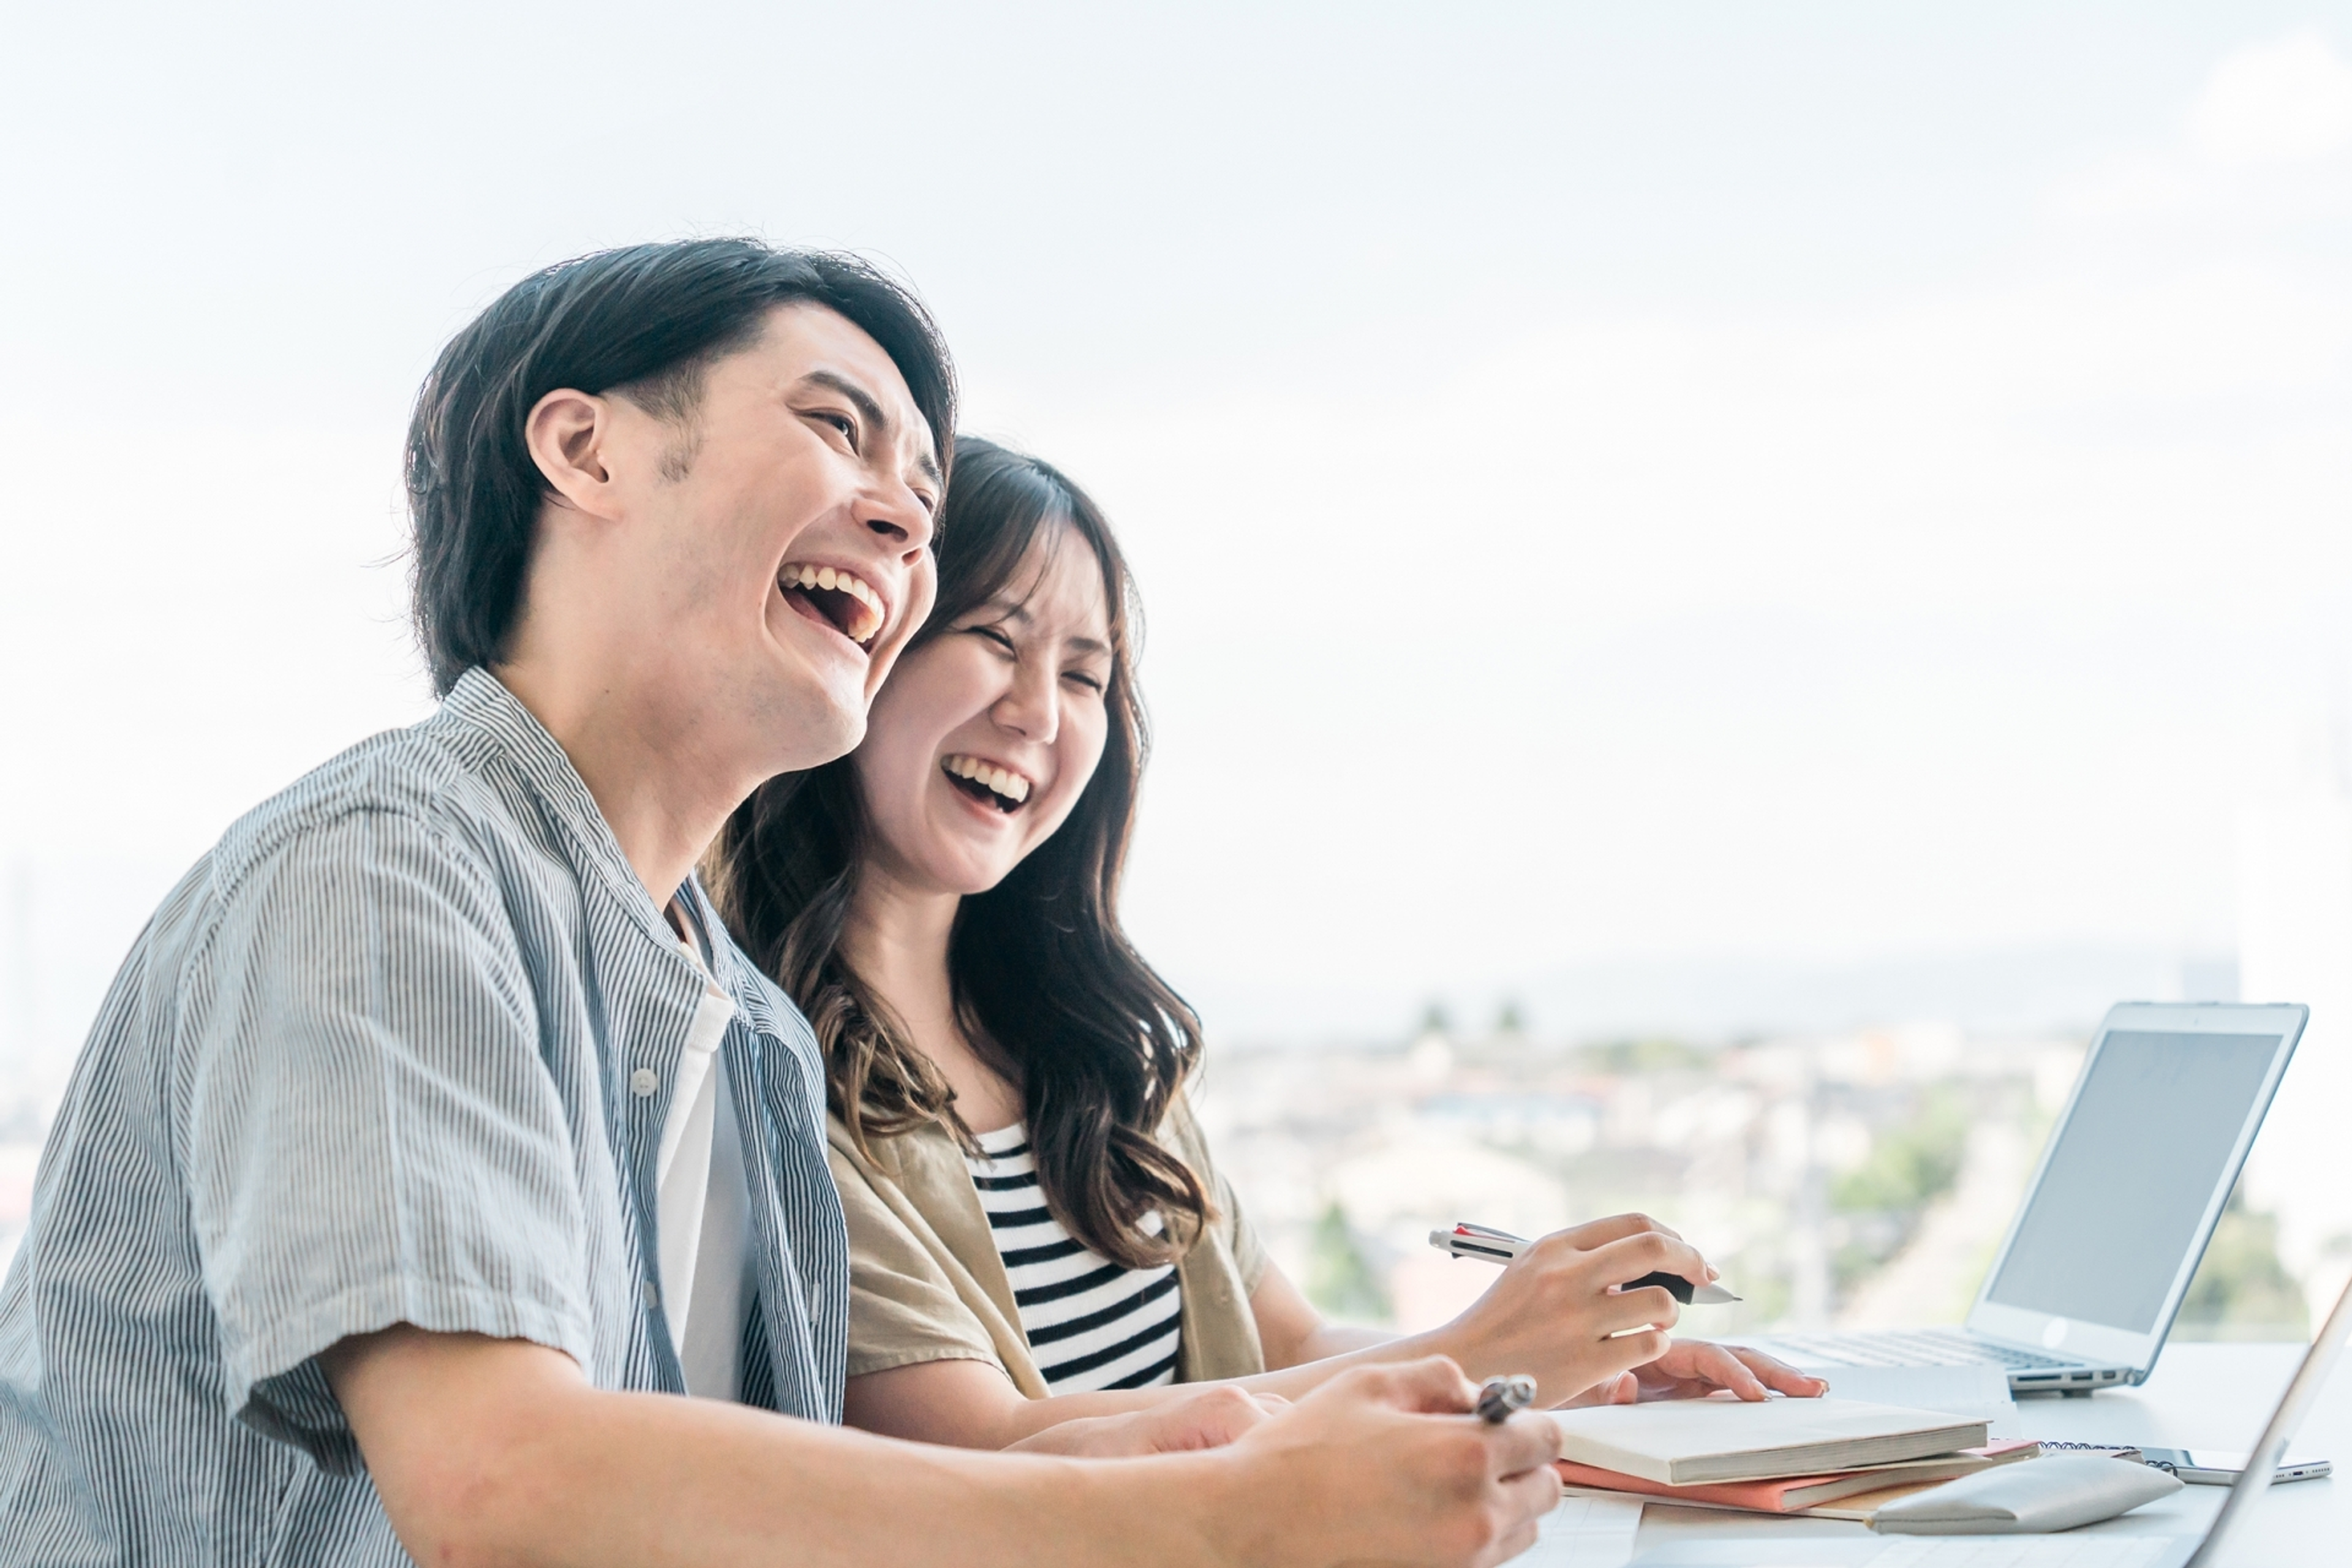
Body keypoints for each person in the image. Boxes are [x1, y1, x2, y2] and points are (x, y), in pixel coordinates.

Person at [0, 239, 1566, 1568]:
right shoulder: (383, 865)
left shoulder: (739, 1024)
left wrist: (1363, 1424)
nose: (904, 521)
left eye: (922, 489)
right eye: (839, 431)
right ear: (585, 449)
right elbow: (504, 1478)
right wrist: (1224, 1514)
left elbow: (806, 1494)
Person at [711, 437, 1827, 1452]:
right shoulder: (770, 1070)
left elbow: (1284, 1347)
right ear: (868, 646)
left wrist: (1561, 1368)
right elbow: (988, 1444)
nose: (1041, 715)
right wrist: (1484, 1350)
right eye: (997, 641)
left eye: (1088, 677)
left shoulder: (1092, 1048)